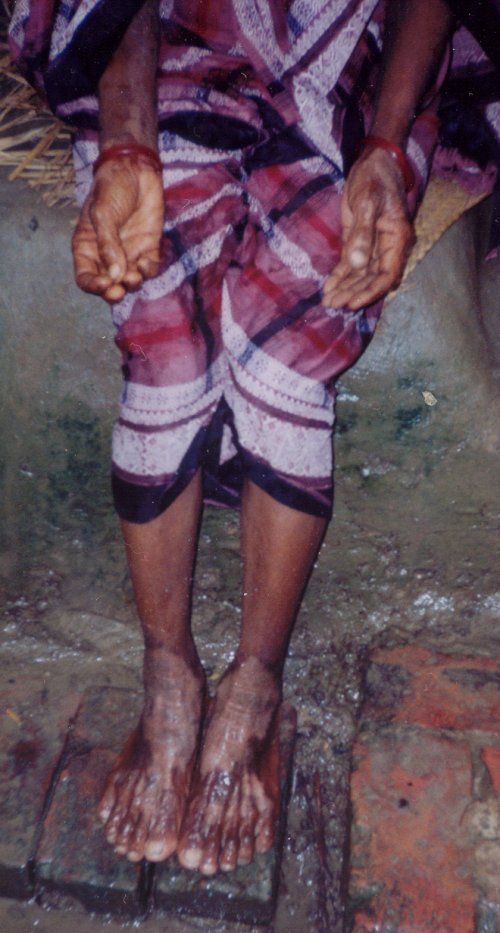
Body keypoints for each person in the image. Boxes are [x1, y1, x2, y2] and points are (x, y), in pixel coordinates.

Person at [8, 0, 498, 877]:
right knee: (160, 323)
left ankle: (254, 687)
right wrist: (127, 144)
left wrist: (385, 149)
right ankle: (169, 675)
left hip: (357, 56)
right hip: (177, 45)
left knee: (298, 329)